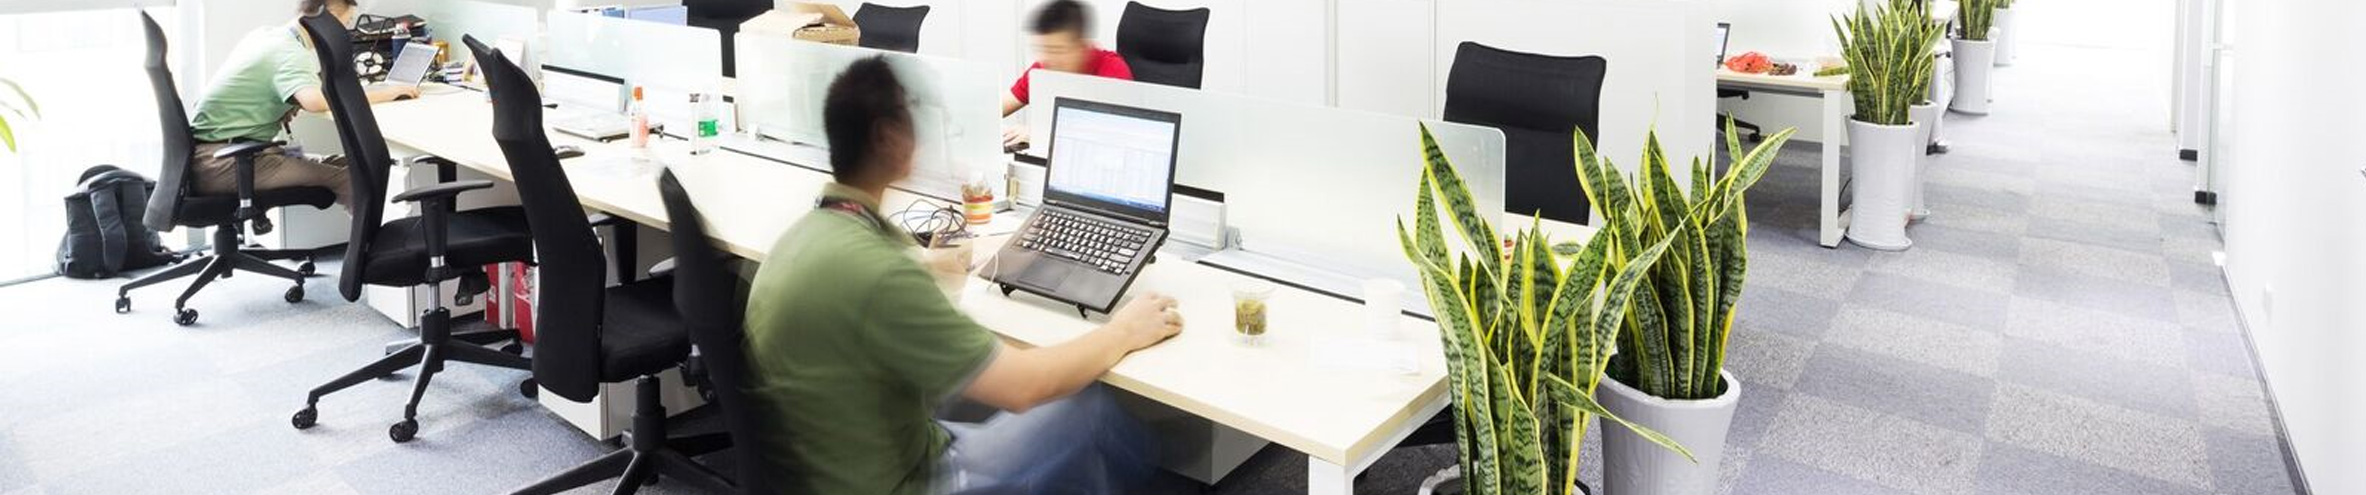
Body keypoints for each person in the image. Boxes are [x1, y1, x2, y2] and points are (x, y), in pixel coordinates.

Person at [743, 56, 1177, 495]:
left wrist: (924, 264)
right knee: (1091, 412)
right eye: (915, 120)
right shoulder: (879, 275)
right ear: (888, 137)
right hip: (907, 481)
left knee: (973, 394)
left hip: (837, 463)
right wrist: (1124, 331)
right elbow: (1025, 386)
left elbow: (871, 285)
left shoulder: (805, 235)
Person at [185, 0, 420, 208]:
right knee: (353, 179)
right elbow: (315, 102)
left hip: (219, 154)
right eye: (344, 24)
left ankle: (374, 248)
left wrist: (287, 105)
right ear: (324, 20)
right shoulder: (288, 51)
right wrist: (389, 92)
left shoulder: (266, 36)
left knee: (356, 165)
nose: (344, 33)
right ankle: (368, 255)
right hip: (225, 162)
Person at [1000, 0, 1133, 149]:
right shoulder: (1044, 67)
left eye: (1057, 50)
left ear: (1082, 46)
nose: (1049, 59)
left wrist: (1041, 134)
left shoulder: (1113, 72)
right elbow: (999, 107)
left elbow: (1116, 136)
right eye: (1043, 49)